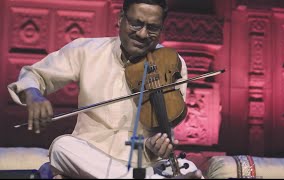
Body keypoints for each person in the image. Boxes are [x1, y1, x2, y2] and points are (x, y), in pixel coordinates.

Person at [8, 0, 203, 179]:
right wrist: (33, 94)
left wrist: (155, 145)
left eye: (152, 28)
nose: (143, 34)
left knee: (189, 168)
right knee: (61, 147)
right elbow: (34, 75)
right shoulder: (85, 51)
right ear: (120, 19)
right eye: (136, 23)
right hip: (89, 160)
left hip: (142, 164)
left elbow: (162, 131)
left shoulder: (171, 63)